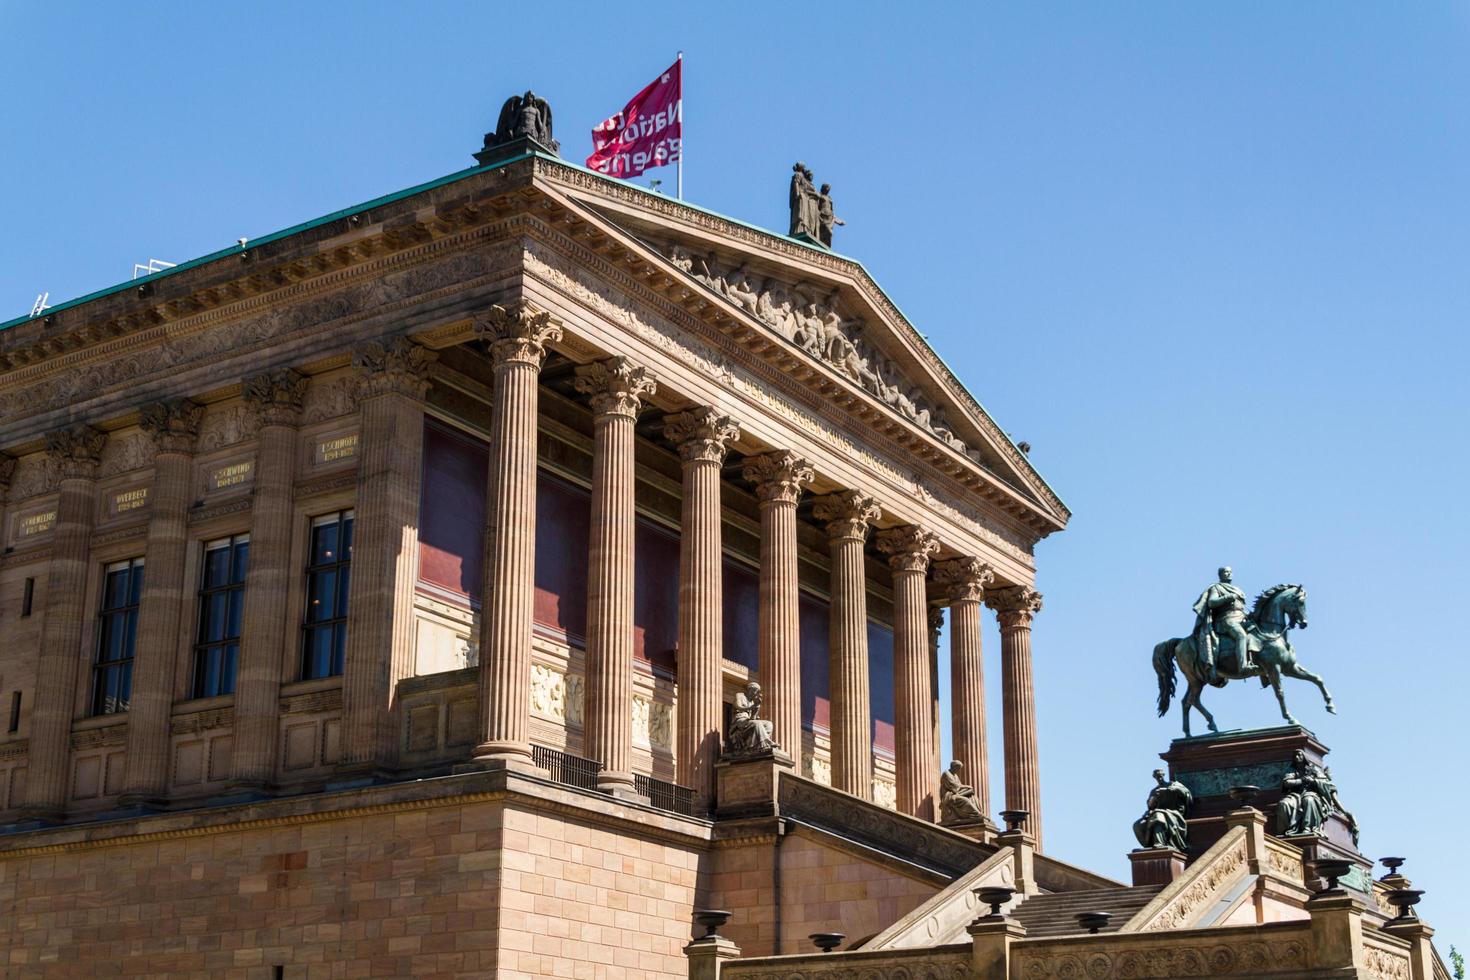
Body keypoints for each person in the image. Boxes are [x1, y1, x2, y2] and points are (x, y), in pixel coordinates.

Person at [1192, 566, 1252, 682]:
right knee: (1241, 636)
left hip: (1241, 617)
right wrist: (1227, 597)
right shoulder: (1217, 588)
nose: (1228, 574)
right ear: (1220, 575)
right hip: (1226, 619)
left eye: (1230, 572)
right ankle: (1243, 666)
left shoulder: (1238, 589)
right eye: (1225, 572)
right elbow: (1211, 602)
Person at [1132, 768, 1192, 851]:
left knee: (1158, 817)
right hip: (1159, 812)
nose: (1159, 778)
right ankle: (1148, 846)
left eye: (1160, 776)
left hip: (1173, 813)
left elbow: (1187, 794)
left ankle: (1159, 843)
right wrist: (1152, 800)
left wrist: (1175, 790)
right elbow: (1150, 806)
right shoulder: (1154, 790)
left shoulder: (1174, 785)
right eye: (1157, 777)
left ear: (1163, 775)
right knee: (1138, 824)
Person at [726, 682, 776, 756]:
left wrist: (756, 708)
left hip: (748, 720)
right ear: (749, 689)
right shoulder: (740, 695)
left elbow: (753, 718)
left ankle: (761, 744)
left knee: (769, 724)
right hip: (739, 720)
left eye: (757, 691)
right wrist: (751, 707)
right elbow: (737, 706)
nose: (755, 693)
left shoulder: (753, 701)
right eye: (755, 690)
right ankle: (765, 744)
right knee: (757, 723)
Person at [939, 760, 985, 824]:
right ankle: (976, 814)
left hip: (956, 792)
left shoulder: (955, 775)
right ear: (954, 767)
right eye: (958, 768)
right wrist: (966, 787)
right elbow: (954, 786)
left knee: (972, 796)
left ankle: (979, 813)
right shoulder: (946, 774)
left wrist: (967, 787)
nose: (958, 770)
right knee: (965, 800)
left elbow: (959, 785)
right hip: (949, 795)